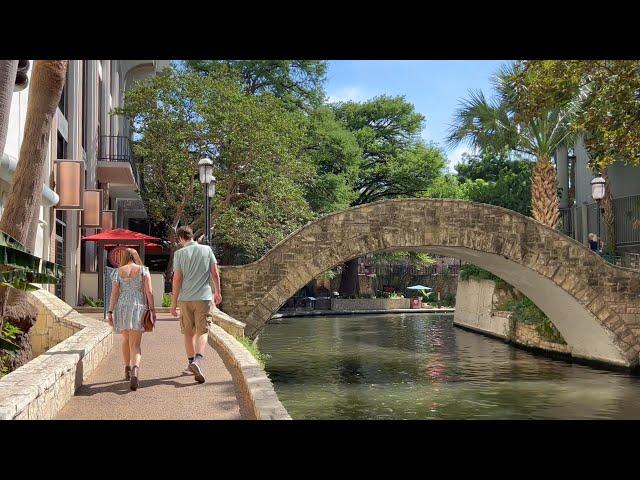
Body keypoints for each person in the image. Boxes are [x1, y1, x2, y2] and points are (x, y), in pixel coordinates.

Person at [170, 226, 222, 383]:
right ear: (192, 236)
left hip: (185, 299)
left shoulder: (179, 254)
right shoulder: (207, 250)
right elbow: (214, 273)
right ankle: (198, 360)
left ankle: (191, 361)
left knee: (188, 332)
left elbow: (177, 279)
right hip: (204, 297)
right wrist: (218, 292)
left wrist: (173, 303)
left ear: (180, 238)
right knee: (203, 331)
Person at [107, 248, 155, 391]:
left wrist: (110, 312)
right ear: (136, 257)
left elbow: (114, 293)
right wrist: (152, 309)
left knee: (126, 340)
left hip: (122, 307)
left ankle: (127, 368)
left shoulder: (117, 272)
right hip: (138, 306)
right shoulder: (143, 270)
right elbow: (149, 291)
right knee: (135, 344)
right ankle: (135, 370)